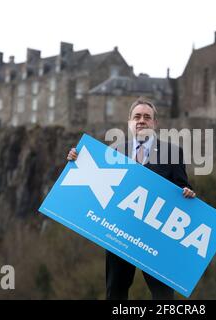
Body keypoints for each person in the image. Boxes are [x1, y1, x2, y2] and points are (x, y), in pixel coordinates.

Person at [66, 97, 196, 300]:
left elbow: (182, 186)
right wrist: (77, 159)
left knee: (163, 295)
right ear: (129, 122)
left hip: (155, 239)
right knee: (115, 291)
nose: (141, 120)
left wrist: (187, 191)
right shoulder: (115, 152)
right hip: (120, 233)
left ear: (155, 123)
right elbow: (95, 180)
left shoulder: (172, 152)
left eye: (147, 117)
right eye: (137, 116)